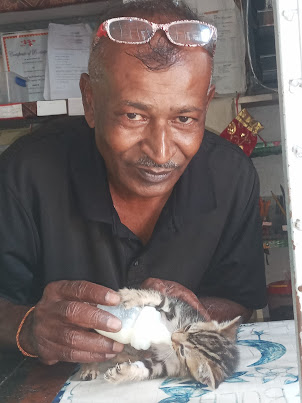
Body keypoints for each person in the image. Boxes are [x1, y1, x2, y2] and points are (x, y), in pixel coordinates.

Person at [0, 0, 266, 366]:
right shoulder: (26, 173)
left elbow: (240, 299)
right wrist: (29, 328)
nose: (160, 152)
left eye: (185, 119)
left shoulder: (231, 177)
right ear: (90, 101)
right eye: (133, 115)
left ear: (206, 103)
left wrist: (185, 314)